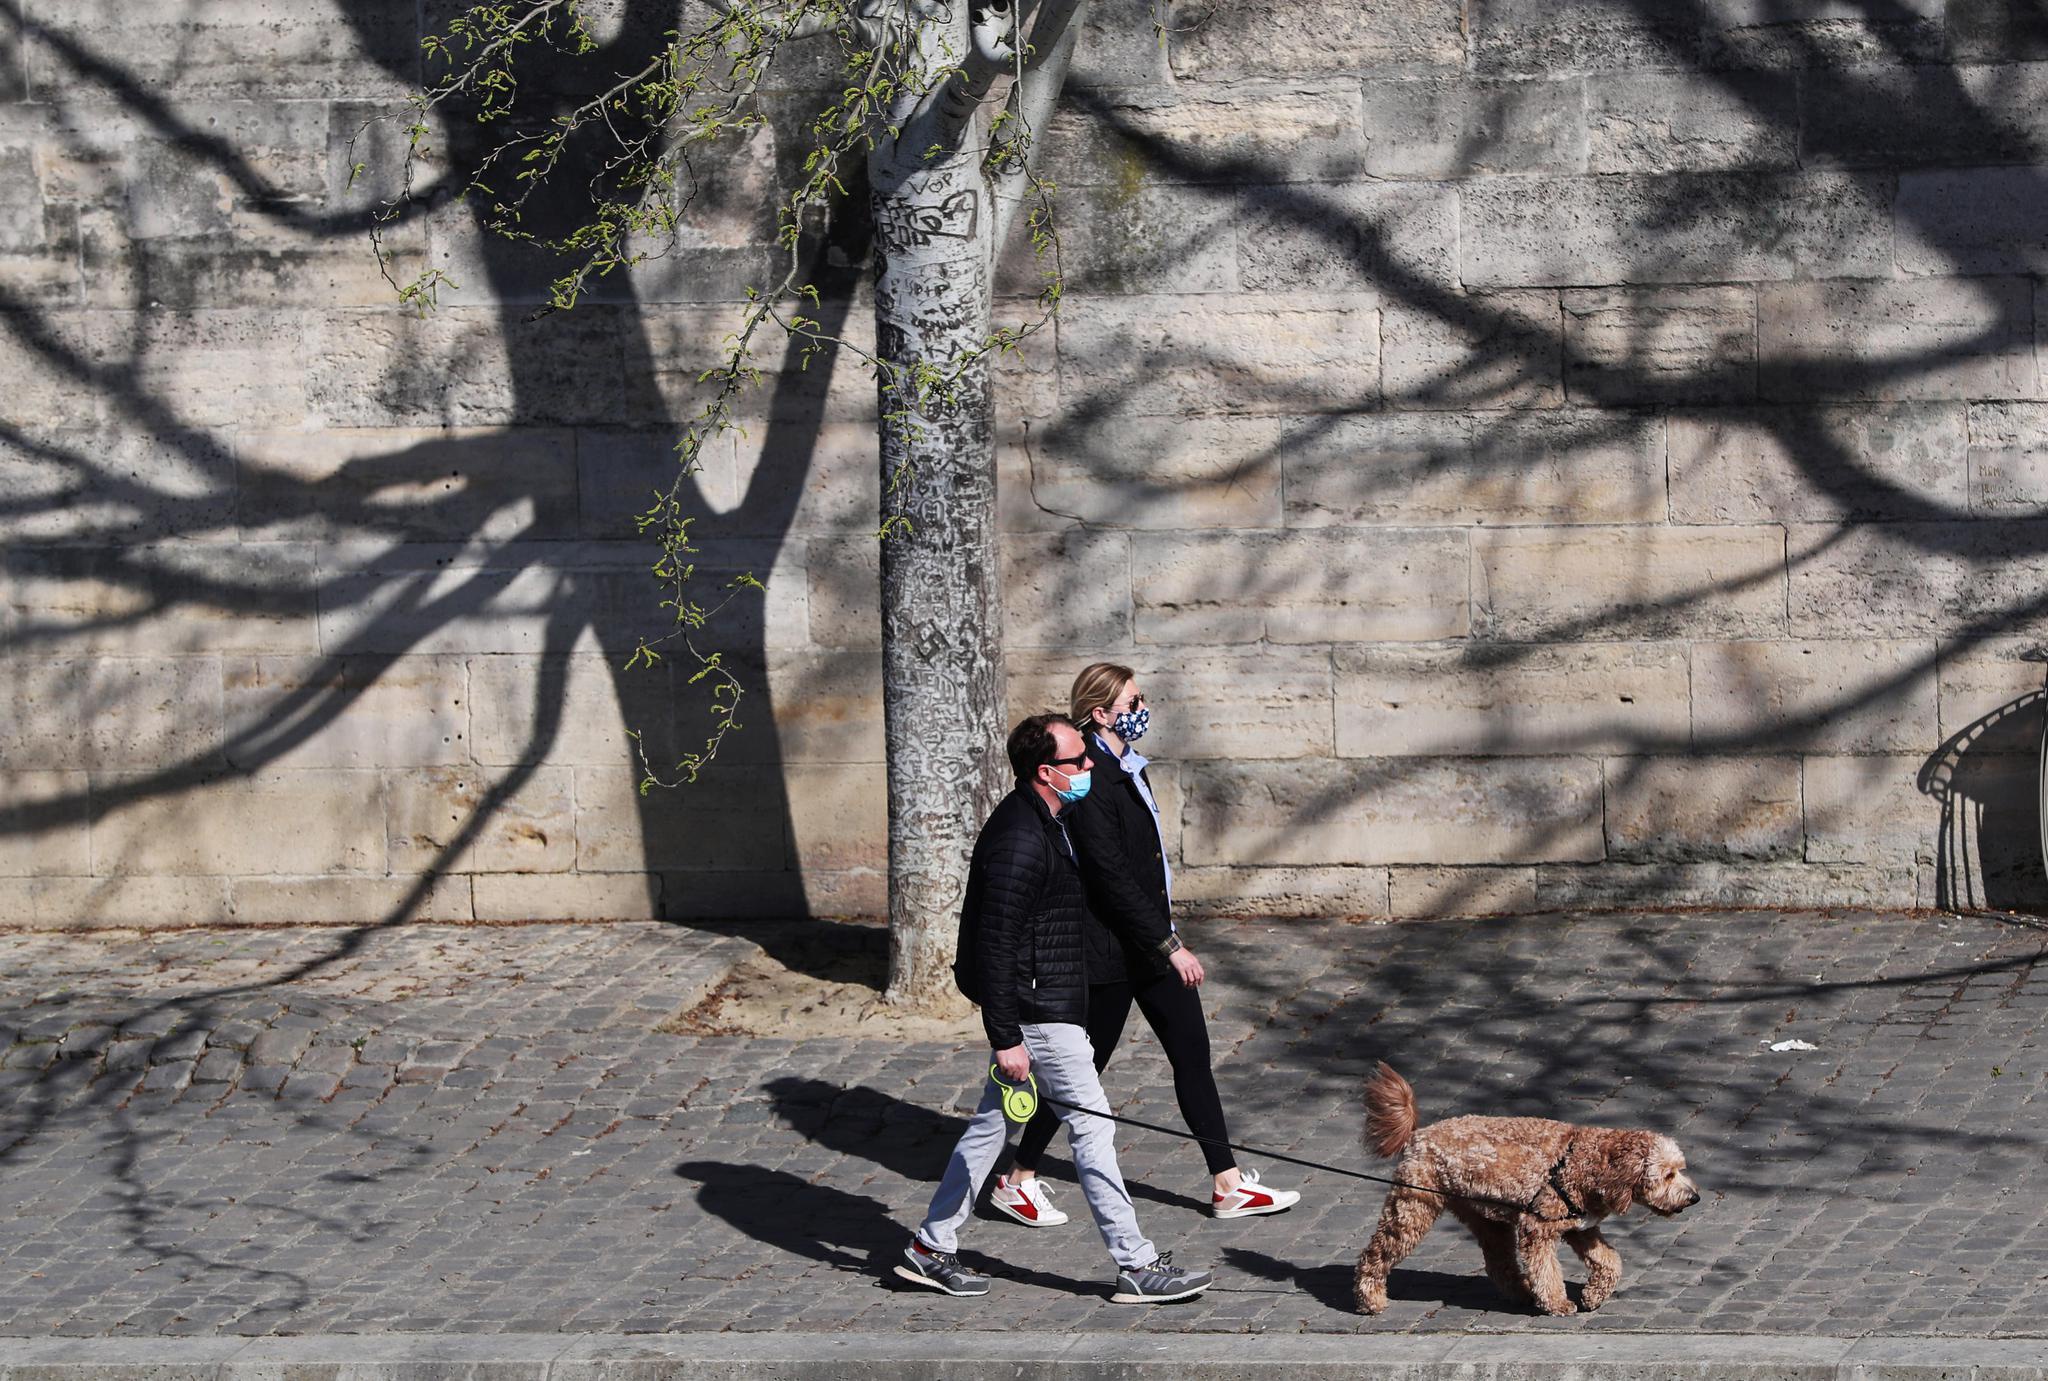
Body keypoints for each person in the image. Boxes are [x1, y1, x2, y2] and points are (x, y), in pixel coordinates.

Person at [894, 712, 1213, 1304]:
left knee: (991, 1129)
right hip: (1037, 1011)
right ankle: (1137, 1264)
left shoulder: (1051, 818)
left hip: (1049, 1000)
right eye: (1078, 762)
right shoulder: (1020, 838)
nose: (1090, 766)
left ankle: (929, 1248)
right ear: (1046, 772)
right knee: (1093, 1126)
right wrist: (1005, 1036)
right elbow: (994, 945)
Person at [989, 665, 1303, 1226]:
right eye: (1133, 700)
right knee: (1082, 1069)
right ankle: (1019, 1177)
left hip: (1148, 944)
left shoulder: (1129, 767)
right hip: (1110, 951)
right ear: (1102, 713)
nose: (1143, 706)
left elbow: (1143, 863)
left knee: (1191, 1054)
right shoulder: (1090, 775)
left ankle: (1226, 1182)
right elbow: (1110, 876)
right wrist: (1170, 945)